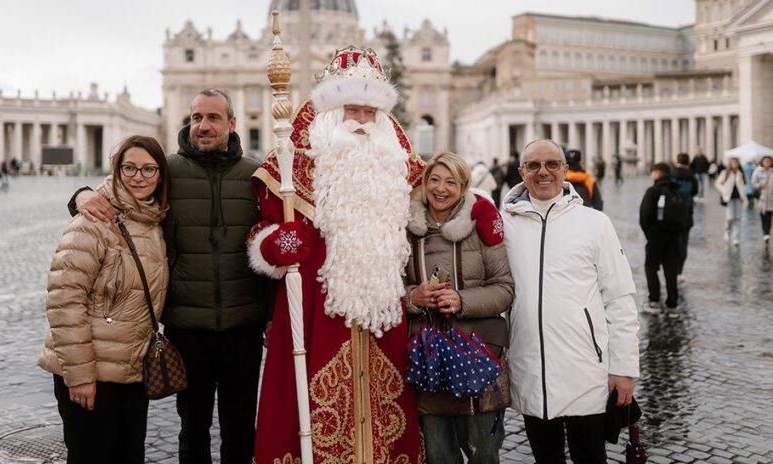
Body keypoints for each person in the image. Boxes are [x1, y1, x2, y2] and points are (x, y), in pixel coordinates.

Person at [247, 46, 424, 463]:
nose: (362, 122)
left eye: (369, 113)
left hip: (385, 321)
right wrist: (278, 244)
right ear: (329, 113)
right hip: (312, 316)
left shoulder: (399, 170)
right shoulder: (290, 169)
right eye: (352, 110)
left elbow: (443, 207)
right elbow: (261, 232)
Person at [73, 89, 269, 464]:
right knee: (192, 427)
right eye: (196, 117)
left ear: (231, 123)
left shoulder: (254, 176)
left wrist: (271, 313)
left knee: (241, 426)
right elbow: (116, 191)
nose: (203, 126)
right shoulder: (168, 171)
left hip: (243, 324)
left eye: (213, 118)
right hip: (185, 325)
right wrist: (80, 196)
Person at [501, 139, 639, 464]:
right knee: (545, 459)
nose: (543, 172)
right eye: (533, 165)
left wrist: (623, 368)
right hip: (530, 367)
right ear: (522, 172)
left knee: (590, 458)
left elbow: (620, 298)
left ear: (565, 170)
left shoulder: (595, 223)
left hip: (586, 372)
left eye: (552, 164)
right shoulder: (503, 224)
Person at [38, 135, 170, 463]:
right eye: (129, 168)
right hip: (92, 373)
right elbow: (65, 302)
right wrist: (81, 376)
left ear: (160, 176)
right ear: (116, 169)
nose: (138, 177)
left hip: (131, 371)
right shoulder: (93, 221)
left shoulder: (154, 220)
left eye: (148, 169)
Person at [404, 152, 514, 464]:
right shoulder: (406, 231)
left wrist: (461, 300)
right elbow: (390, 290)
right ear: (424, 184)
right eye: (434, 180)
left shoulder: (483, 225)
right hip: (430, 361)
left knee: (484, 455)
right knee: (439, 456)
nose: (441, 188)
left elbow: (505, 288)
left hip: (478, 355)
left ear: (464, 186)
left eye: (451, 182)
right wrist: (414, 297)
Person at [639, 163, 685, 318]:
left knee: (651, 267)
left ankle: (654, 301)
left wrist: (650, 234)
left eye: (652, 172)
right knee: (670, 270)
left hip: (656, 236)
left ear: (658, 173)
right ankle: (672, 305)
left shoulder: (653, 191)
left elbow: (644, 216)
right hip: (674, 237)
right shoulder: (677, 191)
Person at [672, 153, 699, 275]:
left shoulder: (671, 173)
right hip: (687, 212)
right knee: (684, 242)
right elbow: (695, 191)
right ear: (688, 162)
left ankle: (671, 267)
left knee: (673, 241)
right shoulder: (691, 174)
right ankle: (679, 269)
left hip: (673, 212)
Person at [715, 157, 748, 246]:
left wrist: (744, 192)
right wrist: (723, 190)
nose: (734, 164)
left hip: (739, 198)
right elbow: (718, 183)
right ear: (730, 164)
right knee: (730, 218)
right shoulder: (725, 173)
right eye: (733, 163)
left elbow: (745, 184)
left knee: (737, 218)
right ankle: (727, 232)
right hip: (728, 198)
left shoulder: (741, 173)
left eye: (736, 163)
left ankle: (736, 238)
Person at [751, 156, 773, 243]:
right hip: (762, 197)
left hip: (771, 197)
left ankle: (768, 232)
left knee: (769, 216)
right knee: (763, 216)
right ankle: (765, 233)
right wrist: (759, 185)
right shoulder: (758, 171)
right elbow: (753, 182)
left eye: (769, 161)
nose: (767, 163)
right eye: (766, 161)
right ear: (762, 162)